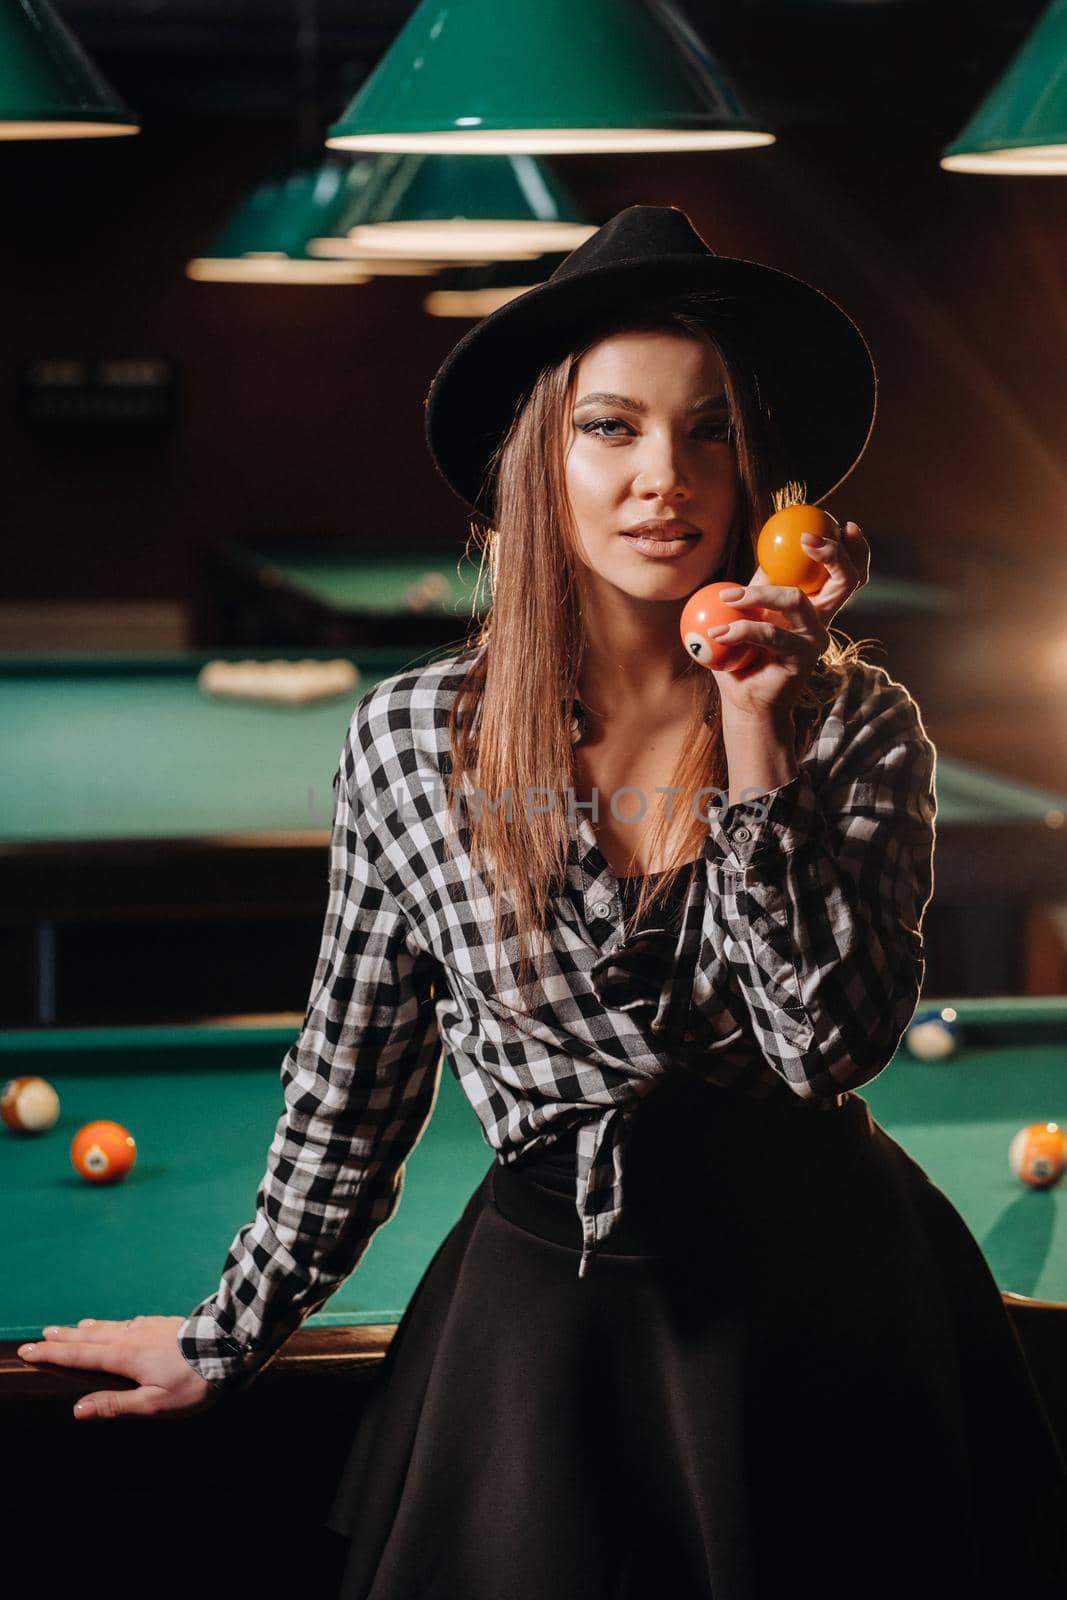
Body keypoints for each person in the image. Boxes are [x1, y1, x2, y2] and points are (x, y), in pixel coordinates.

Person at [18, 206, 1067, 1598]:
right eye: (611, 428)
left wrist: (757, 733)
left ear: (759, 468)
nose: (664, 478)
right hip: (540, 1345)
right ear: (540, 460)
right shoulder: (412, 742)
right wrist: (222, 1334)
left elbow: (825, 1047)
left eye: (707, 431)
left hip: (837, 1331)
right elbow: (354, 1088)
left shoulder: (856, 724)